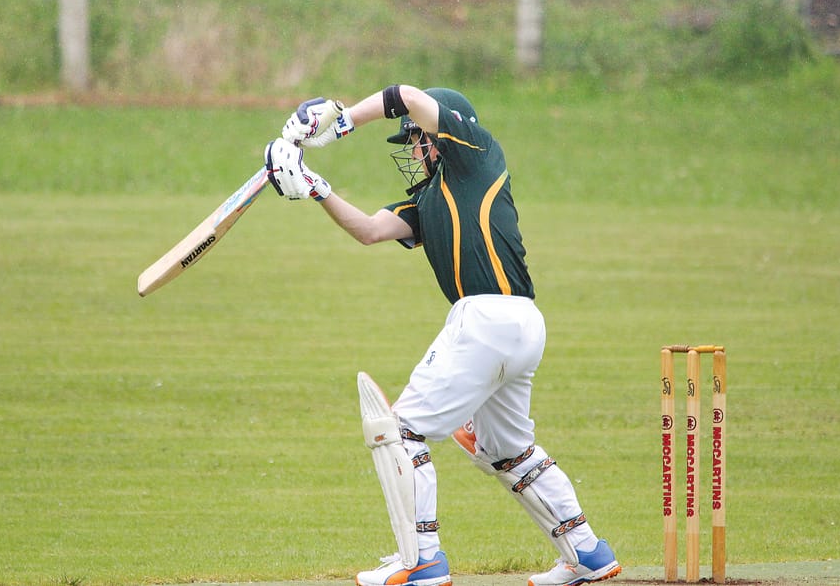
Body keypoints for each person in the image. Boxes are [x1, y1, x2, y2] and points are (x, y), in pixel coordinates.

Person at [265, 85, 621, 586]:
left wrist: (339, 120)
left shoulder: (476, 154)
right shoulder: (428, 201)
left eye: (416, 140)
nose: (413, 150)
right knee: (508, 451)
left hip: (484, 320)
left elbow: (405, 94)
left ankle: (422, 558)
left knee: (401, 431)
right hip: (520, 324)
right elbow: (368, 230)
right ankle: (586, 552)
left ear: (440, 133)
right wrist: (313, 186)